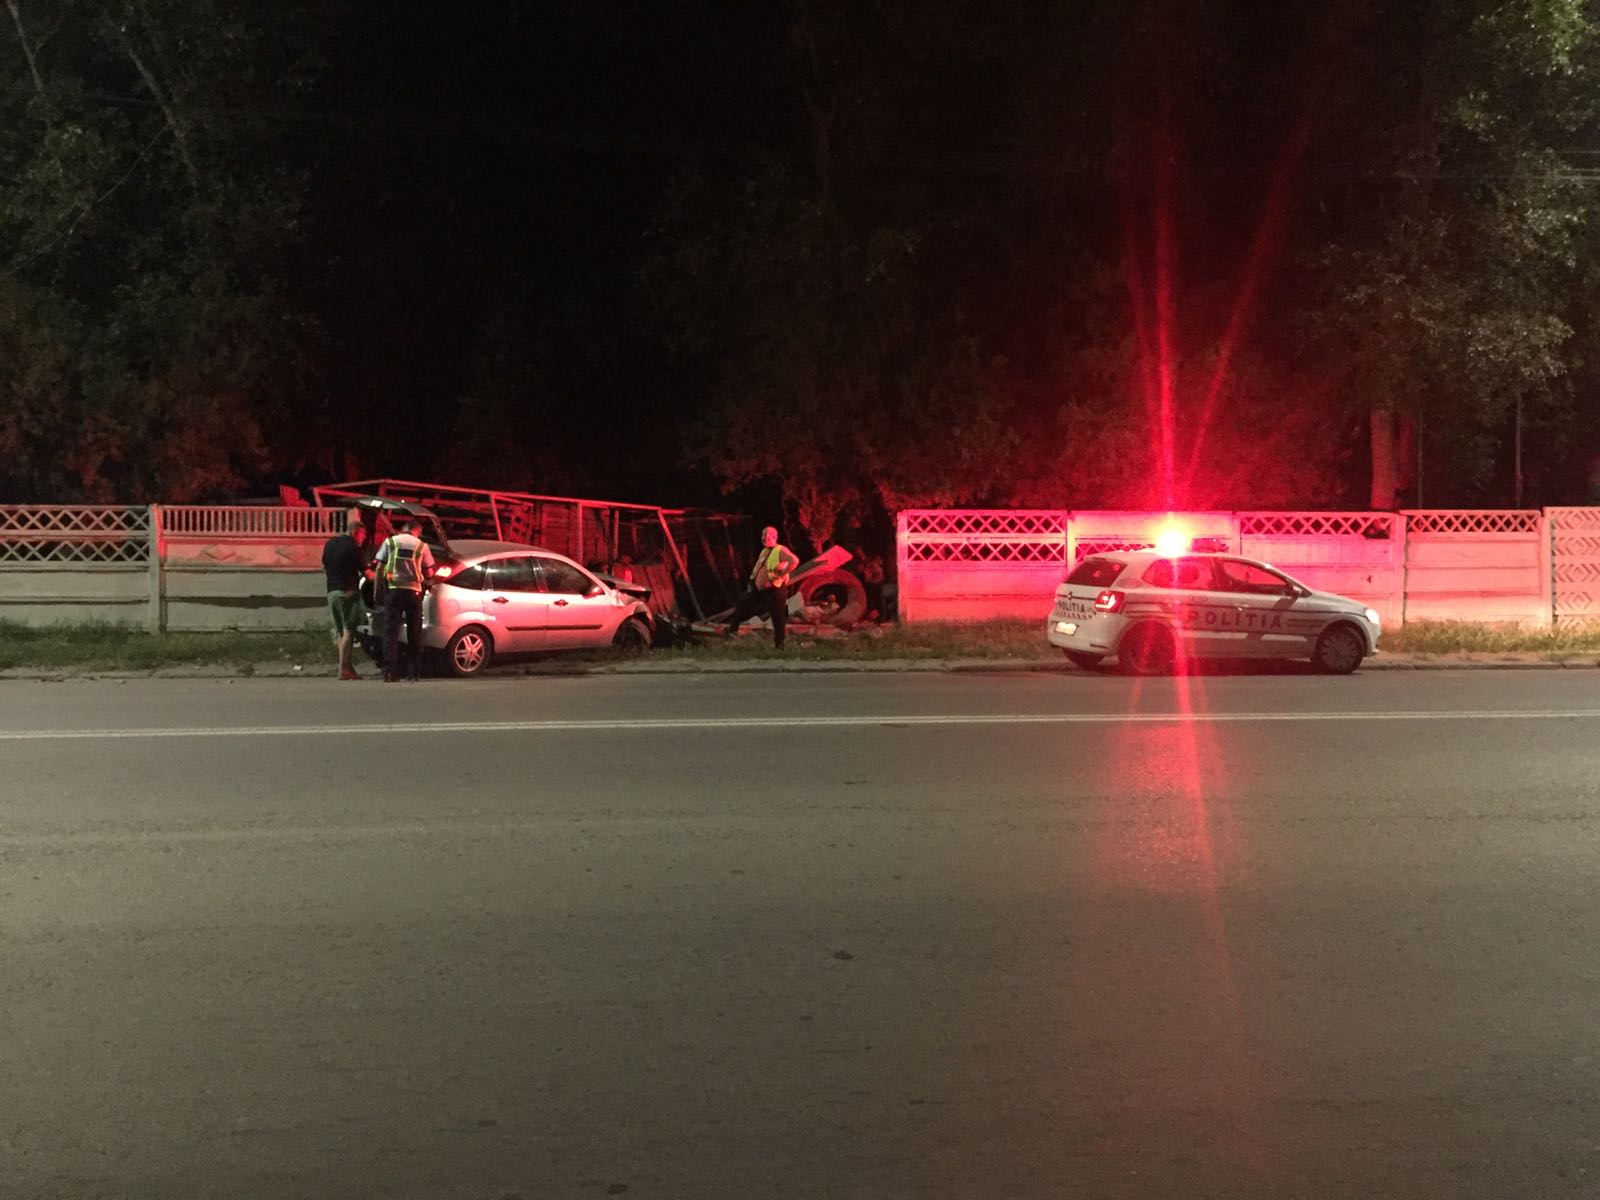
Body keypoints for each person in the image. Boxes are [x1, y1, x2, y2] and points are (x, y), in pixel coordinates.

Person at [373, 516, 435, 682]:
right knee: (414, 632)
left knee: (390, 632)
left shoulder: (390, 542)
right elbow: (429, 572)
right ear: (417, 531)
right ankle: (413, 672)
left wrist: (377, 589)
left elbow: (379, 568)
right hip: (414, 593)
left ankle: (389, 671)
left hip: (393, 591)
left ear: (403, 529)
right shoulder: (422, 546)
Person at [723, 526, 800, 649]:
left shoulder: (780, 550)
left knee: (778, 619)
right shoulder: (764, 551)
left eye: (766, 535)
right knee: (742, 602)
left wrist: (782, 573)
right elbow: (758, 568)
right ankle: (732, 631)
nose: (763, 538)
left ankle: (779, 647)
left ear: (774, 537)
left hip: (774, 590)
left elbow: (794, 561)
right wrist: (752, 583)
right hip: (760, 591)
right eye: (762, 535)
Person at [320, 513, 365, 680]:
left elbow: (324, 565)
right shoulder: (353, 546)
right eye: (363, 535)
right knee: (348, 632)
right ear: (355, 532)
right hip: (347, 593)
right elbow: (366, 571)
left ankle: (348, 668)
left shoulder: (330, 544)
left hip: (331, 592)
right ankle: (342, 670)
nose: (363, 539)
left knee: (341, 633)